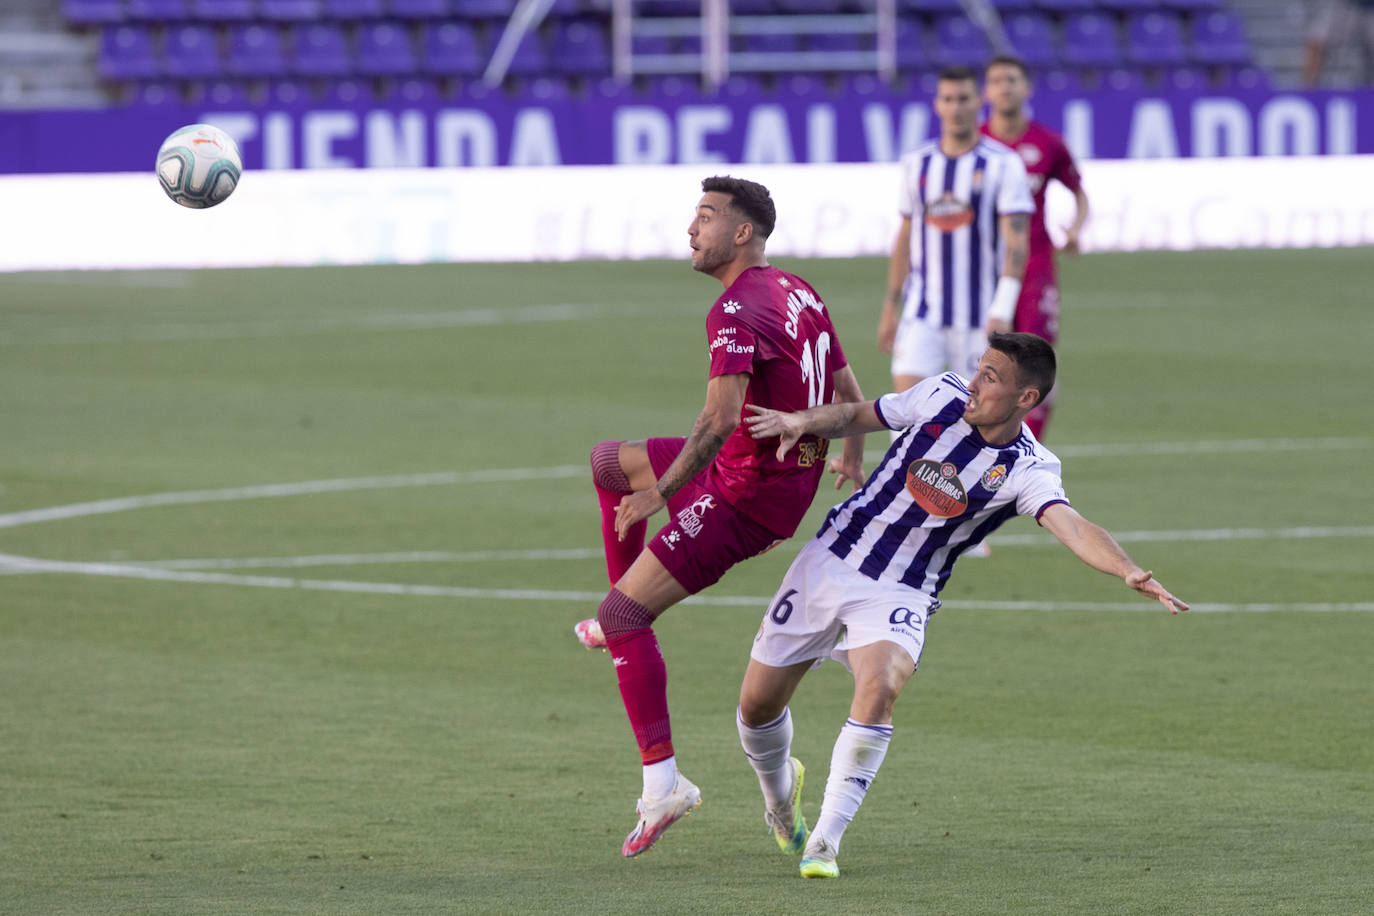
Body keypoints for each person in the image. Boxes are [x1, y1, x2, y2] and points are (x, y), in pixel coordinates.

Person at [735, 332, 1188, 879]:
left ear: (1025, 398)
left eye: (991, 378)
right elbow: (862, 412)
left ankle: (825, 843)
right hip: (831, 559)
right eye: (979, 369)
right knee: (757, 708)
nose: (974, 383)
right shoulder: (940, 396)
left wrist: (1128, 569)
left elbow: (1070, 523)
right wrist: (801, 422)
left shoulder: (1029, 467)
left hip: (902, 590)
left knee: (880, 687)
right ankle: (781, 802)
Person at [573, 176, 867, 858]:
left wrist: (661, 493)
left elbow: (719, 416)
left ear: (742, 233)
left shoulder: (735, 309)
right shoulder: (799, 289)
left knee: (626, 615)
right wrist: (848, 451)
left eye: (704, 216)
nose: (691, 229)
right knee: (608, 464)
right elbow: (851, 389)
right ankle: (611, 621)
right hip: (762, 468)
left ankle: (662, 784)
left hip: (746, 492)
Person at [877, 65, 1033, 399]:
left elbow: (1016, 242)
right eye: (948, 99)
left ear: (979, 102)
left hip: (980, 318)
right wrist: (892, 306)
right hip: (922, 313)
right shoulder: (916, 163)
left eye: (964, 98)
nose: (956, 107)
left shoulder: (1003, 163)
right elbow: (905, 236)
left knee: (977, 420)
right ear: (938, 105)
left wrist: (1003, 309)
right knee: (907, 412)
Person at [981, 55, 1090, 440]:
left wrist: (1075, 229)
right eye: (996, 81)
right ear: (986, 90)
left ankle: (1029, 447)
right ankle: (990, 444)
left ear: (1026, 88)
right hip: (985, 268)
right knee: (989, 361)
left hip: (1036, 266)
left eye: (1012, 80)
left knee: (1037, 358)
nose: (1004, 88)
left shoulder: (1047, 142)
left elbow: (1078, 193)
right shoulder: (976, 145)